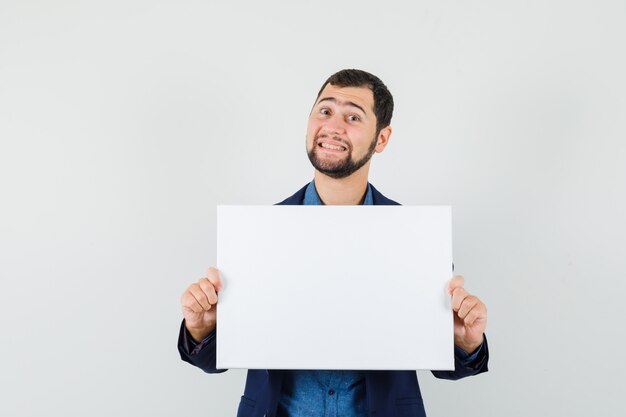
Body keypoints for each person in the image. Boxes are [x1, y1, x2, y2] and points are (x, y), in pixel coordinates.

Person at [178, 69, 489, 417]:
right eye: (324, 111)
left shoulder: (414, 238)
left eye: (353, 116)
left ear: (381, 139)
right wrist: (201, 328)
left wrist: (465, 343)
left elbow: (444, 364)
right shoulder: (259, 234)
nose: (333, 126)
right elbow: (218, 358)